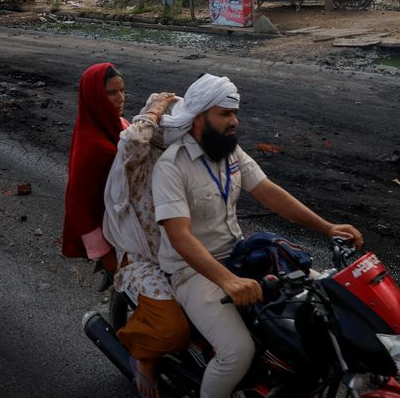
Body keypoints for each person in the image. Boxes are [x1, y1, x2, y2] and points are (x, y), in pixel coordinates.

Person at [153, 74, 363, 398]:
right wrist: (227, 281)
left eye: (234, 113)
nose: (234, 121)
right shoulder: (171, 166)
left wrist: (328, 228)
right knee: (237, 352)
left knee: (326, 297)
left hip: (237, 254)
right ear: (199, 118)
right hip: (192, 272)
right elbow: (180, 237)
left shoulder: (230, 152)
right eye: (225, 114)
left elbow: (270, 193)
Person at [103, 92, 190, 398]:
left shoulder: (187, 154)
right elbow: (133, 142)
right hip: (142, 257)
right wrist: (154, 110)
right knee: (173, 329)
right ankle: (145, 356)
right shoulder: (139, 154)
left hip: (186, 250)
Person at [62, 62, 128, 272]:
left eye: (122, 90)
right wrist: (107, 258)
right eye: (112, 93)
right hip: (112, 236)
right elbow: (77, 205)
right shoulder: (94, 146)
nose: (121, 98)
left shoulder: (111, 123)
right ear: (94, 97)